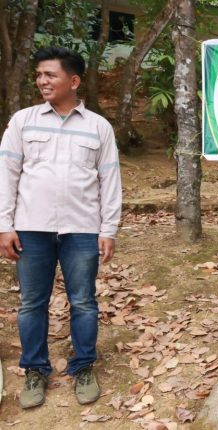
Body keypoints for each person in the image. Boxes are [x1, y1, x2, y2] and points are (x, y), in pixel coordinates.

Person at [0, 46, 122, 408]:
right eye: (39, 75)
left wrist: (109, 229)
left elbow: (109, 181)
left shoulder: (98, 126)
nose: (41, 81)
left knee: (84, 302)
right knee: (31, 303)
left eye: (49, 74)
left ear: (74, 80)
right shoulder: (23, 121)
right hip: (31, 229)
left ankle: (83, 365)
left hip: (82, 229)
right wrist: (4, 225)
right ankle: (35, 370)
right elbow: (7, 175)